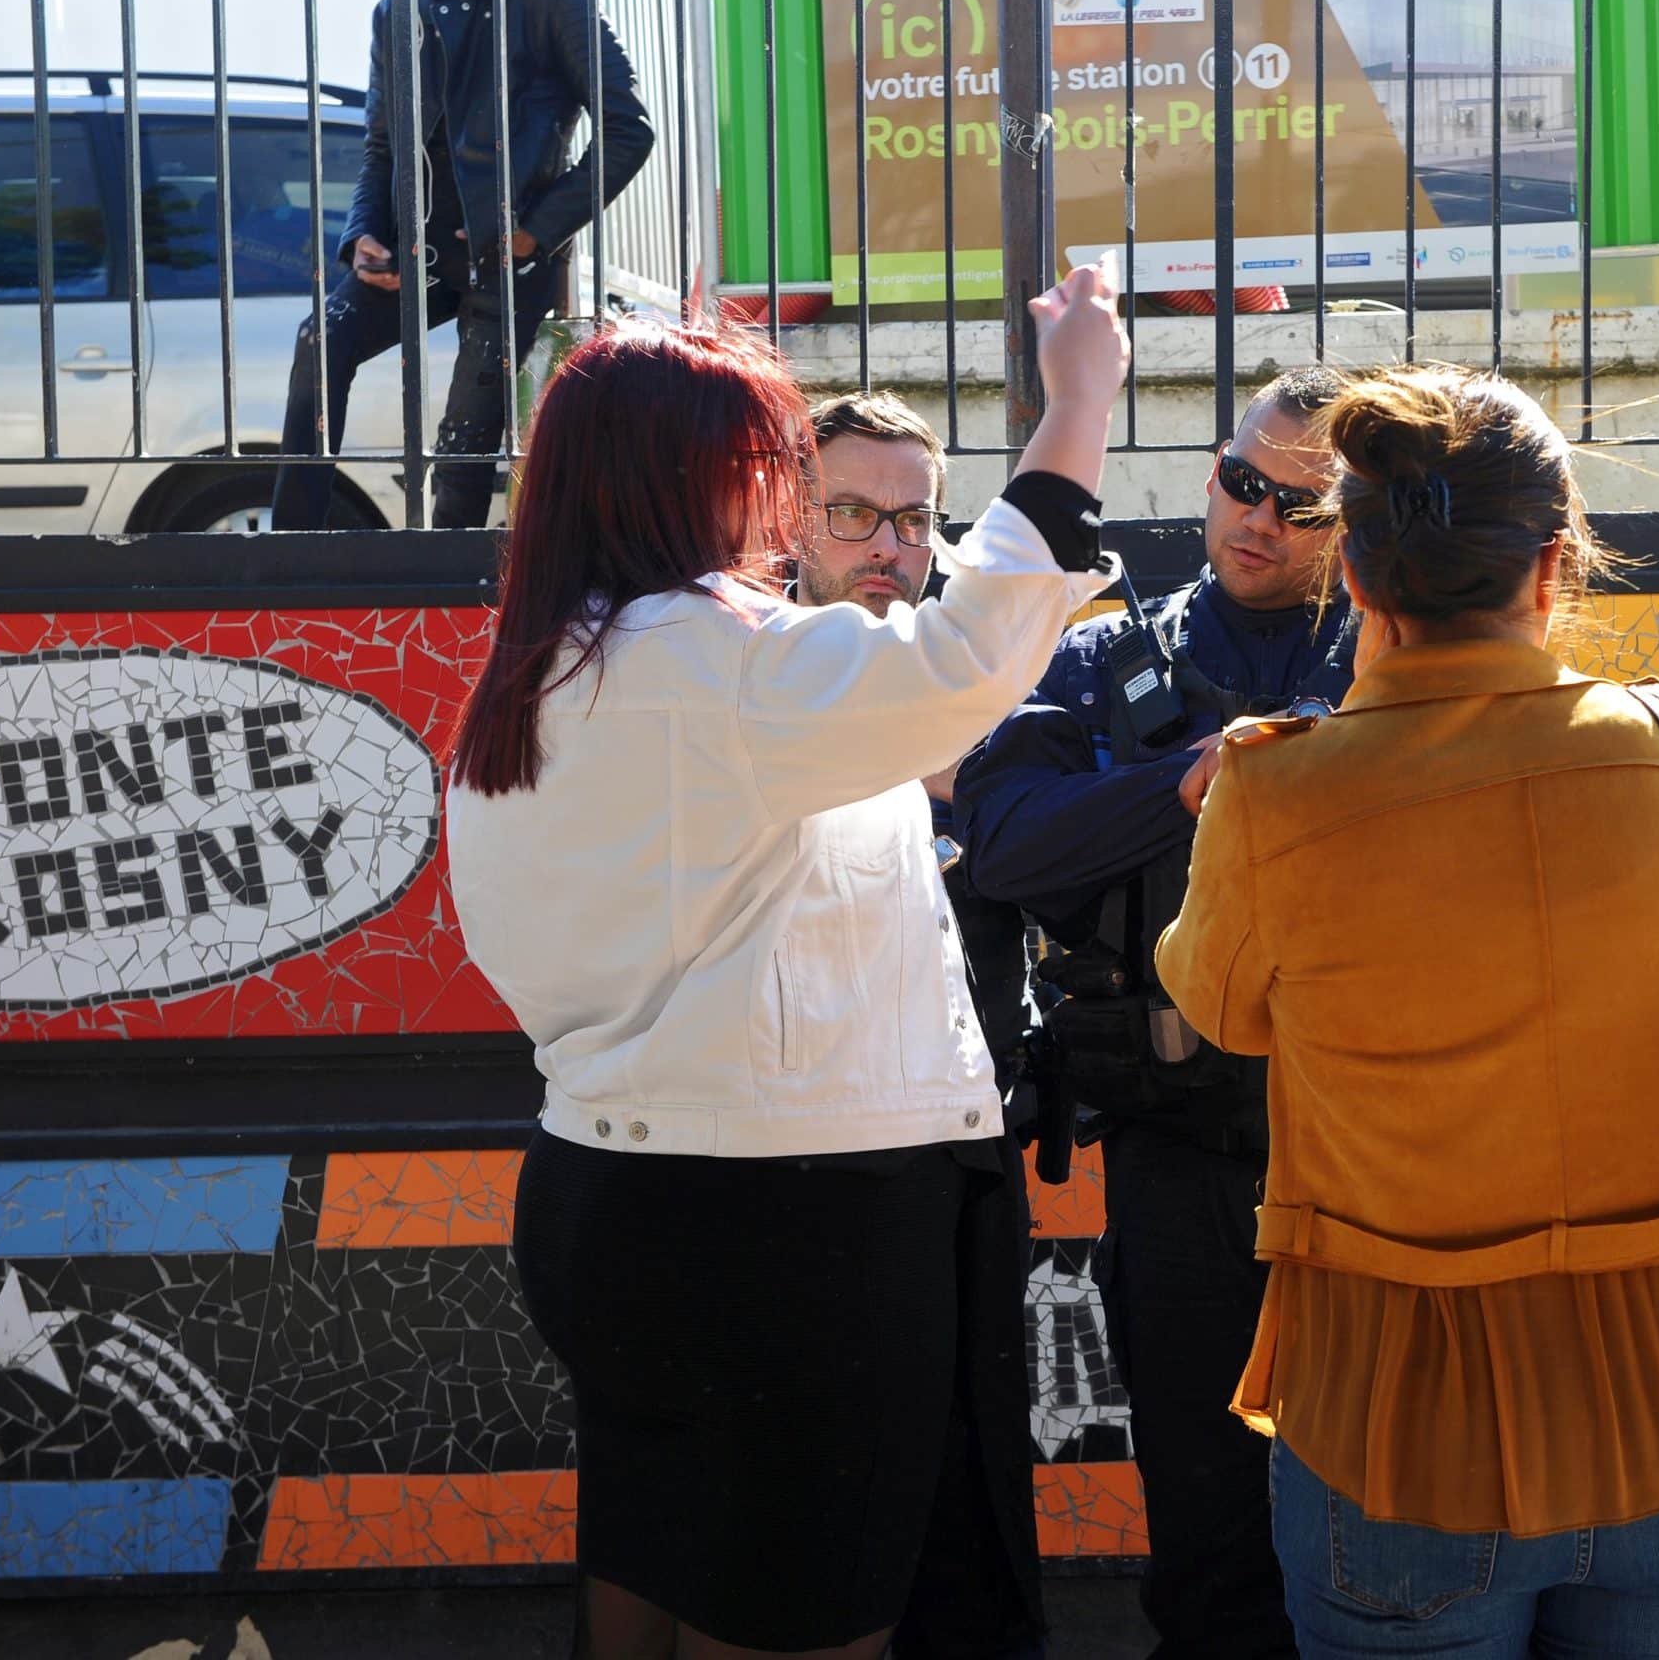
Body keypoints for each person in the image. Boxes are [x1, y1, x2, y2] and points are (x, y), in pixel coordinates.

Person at [1152, 365, 1659, 1660]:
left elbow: (1222, 1009)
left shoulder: (1275, 793)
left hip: (1394, 1428)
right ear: (1555, 564)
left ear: (1356, 575)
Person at [443, 264, 1127, 1659]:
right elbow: (960, 662)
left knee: (651, 1567)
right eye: (766, 460)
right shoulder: (716, 657)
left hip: (609, 1193)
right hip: (783, 1220)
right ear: (689, 479)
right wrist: (1078, 405)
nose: (780, 494)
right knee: (802, 1620)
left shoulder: (545, 666)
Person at [952, 368, 1357, 1659]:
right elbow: (1005, 845)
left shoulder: (1397, 657)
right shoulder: (1100, 656)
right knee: (1209, 1526)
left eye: (1304, 505)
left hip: (1371, 1150)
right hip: (1179, 1156)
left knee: (1387, 1526)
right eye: (1244, 482)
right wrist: (1194, 782)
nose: (1260, 520)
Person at [796, 390, 1047, 1660]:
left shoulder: (977, 658)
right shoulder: (739, 667)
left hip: (963, 1138)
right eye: (851, 512)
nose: (887, 545)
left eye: (913, 517)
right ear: (790, 514)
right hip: (782, 1160)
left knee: (967, 1476)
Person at [272, 0, 654, 532]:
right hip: (415, 253)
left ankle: (449, 587)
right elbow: (382, 146)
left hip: (508, 259)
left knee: (464, 442)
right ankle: (292, 548)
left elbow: (629, 128)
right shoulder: (398, 6)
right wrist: (363, 236)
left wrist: (536, 232)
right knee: (321, 342)